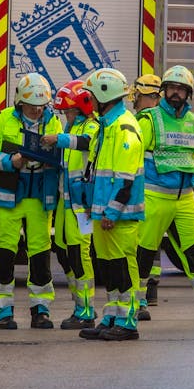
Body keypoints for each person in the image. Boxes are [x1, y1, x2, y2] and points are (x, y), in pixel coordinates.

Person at [0, 72, 63, 329]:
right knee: (4, 252)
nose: (37, 110)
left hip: (39, 195)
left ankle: (41, 309)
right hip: (7, 195)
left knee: (39, 253)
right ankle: (4, 312)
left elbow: (61, 156)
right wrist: (12, 161)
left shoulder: (53, 122)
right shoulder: (3, 120)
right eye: (31, 105)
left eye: (41, 105)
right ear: (20, 102)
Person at [136, 65, 194, 321]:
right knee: (144, 251)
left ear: (188, 93)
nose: (176, 93)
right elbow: (134, 157)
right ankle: (137, 302)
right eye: (172, 88)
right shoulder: (149, 118)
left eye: (181, 89)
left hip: (184, 197)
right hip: (154, 195)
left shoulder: (192, 120)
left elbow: (192, 155)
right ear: (163, 90)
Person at [78, 68, 146, 341]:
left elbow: (126, 178)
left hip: (120, 213)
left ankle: (128, 322)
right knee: (108, 266)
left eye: (92, 97)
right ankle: (112, 316)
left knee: (121, 265)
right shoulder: (107, 125)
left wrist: (111, 211)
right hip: (104, 212)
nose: (90, 103)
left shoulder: (124, 127)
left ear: (105, 96)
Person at [41, 80, 101, 330]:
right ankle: (79, 304)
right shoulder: (74, 125)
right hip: (67, 204)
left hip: (82, 204)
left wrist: (59, 138)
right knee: (65, 252)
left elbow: (85, 142)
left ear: (82, 108)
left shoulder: (93, 126)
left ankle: (86, 310)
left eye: (69, 110)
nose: (66, 115)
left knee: (80, 255)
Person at [129, 73, 165, 309]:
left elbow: (134, 157)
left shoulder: (144, 121)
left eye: (137, 96)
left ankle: (140, 296)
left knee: (141, 245)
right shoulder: (164, 119)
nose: (134, 100)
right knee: (153, 244)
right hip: (165, 191)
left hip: (145, 189)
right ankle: (150, 289)